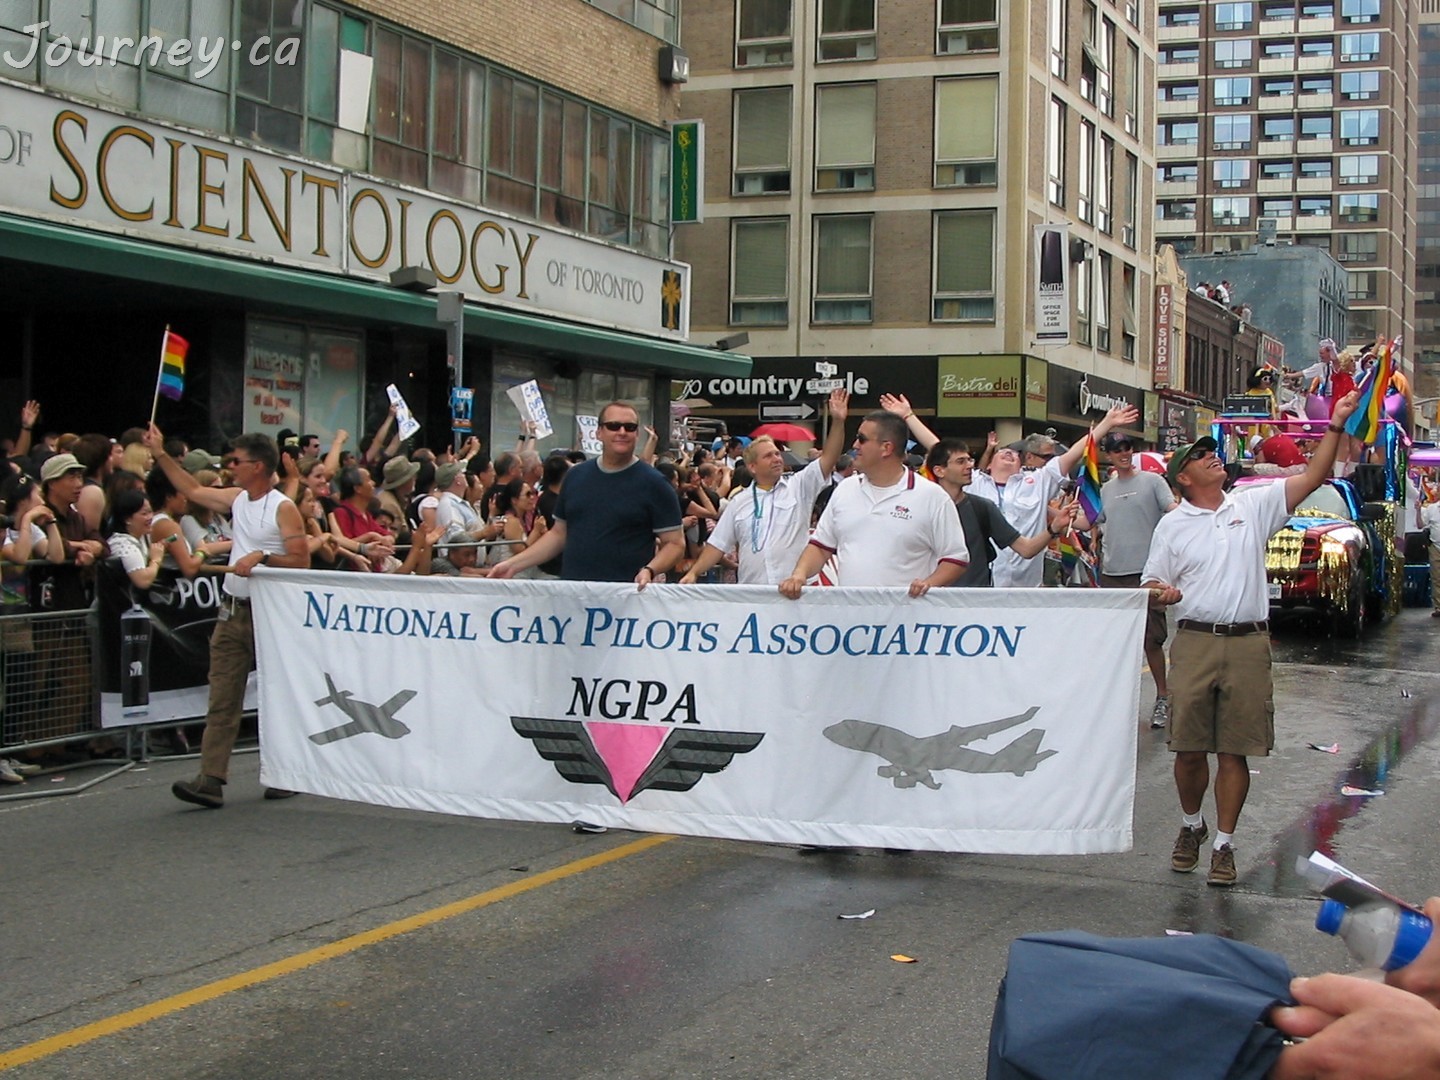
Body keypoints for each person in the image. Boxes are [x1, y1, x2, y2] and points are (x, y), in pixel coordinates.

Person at [1142, 389, 1360, 887]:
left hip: (1247, 642)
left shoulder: (1253, 505)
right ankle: (1190, 824)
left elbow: (1312, 477)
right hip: (1195, 640)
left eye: (1210, 451)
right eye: (1199, 456)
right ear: (1184, 477)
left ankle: (1224, 843)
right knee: (1189, 749)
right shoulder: (1173, 526)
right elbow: (1150, 584)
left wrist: (1336, 426)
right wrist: (1163, 593)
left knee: (1235, 749)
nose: (1210, 456)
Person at [145, 422, 309, 809]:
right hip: (233, 610)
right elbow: (191, 489)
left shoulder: (283, 508)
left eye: (237, 461)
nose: (230, 466)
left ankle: (285, 771)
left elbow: (300, 559)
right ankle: (211, 778)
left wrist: (264, 557)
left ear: (258, 466)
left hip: (271, 615)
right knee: (222, 695)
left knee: (277, 695)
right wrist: (160, 453)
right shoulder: (237, 499)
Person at [489, 402, 684, 587]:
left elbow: (675, 543)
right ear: (599, 432)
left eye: (629, 427)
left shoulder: (655, 484)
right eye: (614, 426)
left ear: (637, 434)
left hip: (626, 602)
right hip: (575, 597)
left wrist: (650, 570)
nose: (622, 432)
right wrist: (512, 565)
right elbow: (558, 534)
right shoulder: (575, 476)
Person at [779, 410, 968, 598]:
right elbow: (821, 547)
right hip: (851, 620)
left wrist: (928, 584)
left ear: (886, 448)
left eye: (862, 439)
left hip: (908, 621)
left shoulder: (932, 496)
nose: (854, 445)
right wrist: (799, 575)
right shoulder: (846, 489)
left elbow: (956, 558)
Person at [681, 390, 850, 586]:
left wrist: (838, 421)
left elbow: (829, 458)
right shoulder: (739, 502)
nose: (777, 459)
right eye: (768, 456)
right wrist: (693, 573)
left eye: (777, 454)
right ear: (752, 466)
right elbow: (717, 544)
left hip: (796, 593)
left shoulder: (799, 486)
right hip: (754, 597)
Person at [1094, 432, 1178, 727]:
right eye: (1117, 450)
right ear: (1109, 456)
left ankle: (1163, 697)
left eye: (1127, 448)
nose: (1124, 453)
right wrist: (1058, 515)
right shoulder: (1103, 489)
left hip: (1147, 575)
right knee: (1117, 643)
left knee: (1152, 640)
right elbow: (1089, 521)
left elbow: (1172, 511)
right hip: (1112, 573)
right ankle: (1117, 702)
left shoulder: (1153, 482)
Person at [924, 438, 1074, 587]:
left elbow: (1026, 549)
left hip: (977, 601)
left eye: (969, 460)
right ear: (939, 470)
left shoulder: (982, 507)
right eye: (961, 462)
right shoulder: (923, 507)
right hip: (933, 599)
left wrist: (1053, 528)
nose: (969, 466)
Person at [1418, 485, 1440, 619]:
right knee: (1437, 577)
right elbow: (1421, 525)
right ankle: (1439, 607)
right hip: (1436, 547)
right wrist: (1417, 510)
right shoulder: (1432, 509)